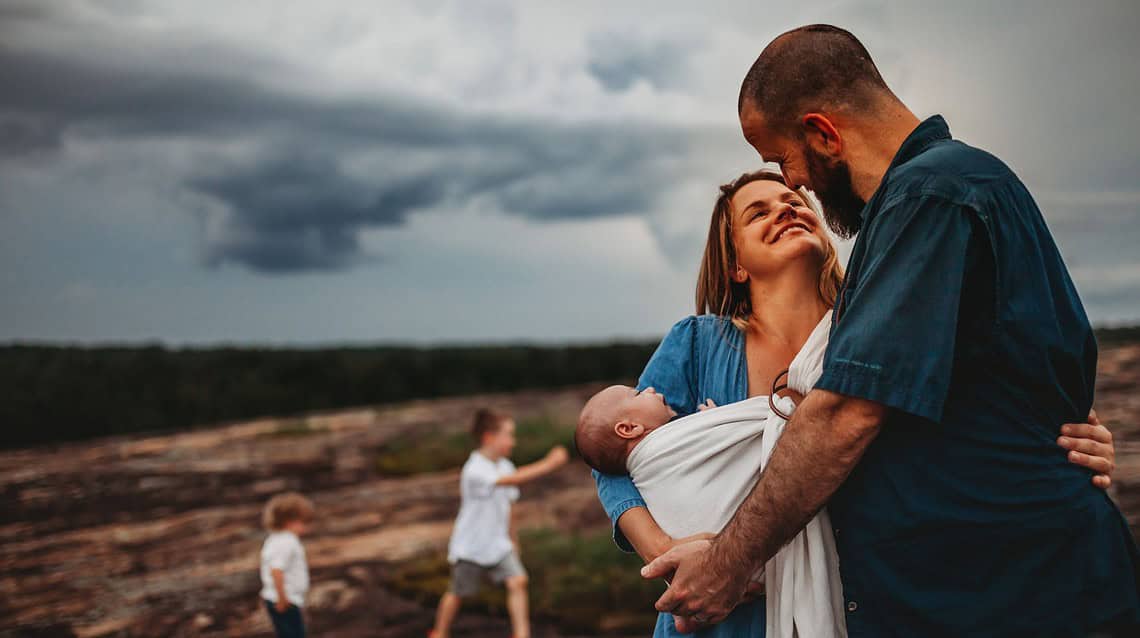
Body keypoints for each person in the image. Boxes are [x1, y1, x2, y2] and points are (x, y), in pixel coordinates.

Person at [641, 24, 1140, 636]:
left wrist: (729, 560)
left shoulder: (931, 197)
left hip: (1016, 595)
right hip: (964, 592)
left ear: (824, 133)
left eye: (782, 159)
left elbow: (850, 410)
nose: (791, 181)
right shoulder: (921, 203)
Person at [594, 168, 1118, 637]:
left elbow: (965, 429)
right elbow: (620, 458)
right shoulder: (696, 344)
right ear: (734, 264)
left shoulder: (880, 333)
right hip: (724, 618)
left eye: (796, 202)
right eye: (759, 212)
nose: (787, 208)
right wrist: (663, 551)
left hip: (860, 605)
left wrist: (1063, 446)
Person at [430, 408, 569, 638]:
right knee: (457, 593)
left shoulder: (505, 465)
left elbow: (510, 507)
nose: (512, 442)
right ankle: (440, 632)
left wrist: (513, 540)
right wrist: (549, 464)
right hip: (471, 545)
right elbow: (511, 481)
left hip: (498, 543)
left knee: (518, 581)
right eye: (508, 435)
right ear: (489, 438)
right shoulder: (474, 470)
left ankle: (521, 634)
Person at [259, 492, 314, 638]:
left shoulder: (274, 539)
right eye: (304, 522)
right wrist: (283, 598)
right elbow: (276, 570)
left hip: (278, 598)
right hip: (285, 600)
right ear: (290, 521)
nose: (306, 527)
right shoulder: (287, 541)